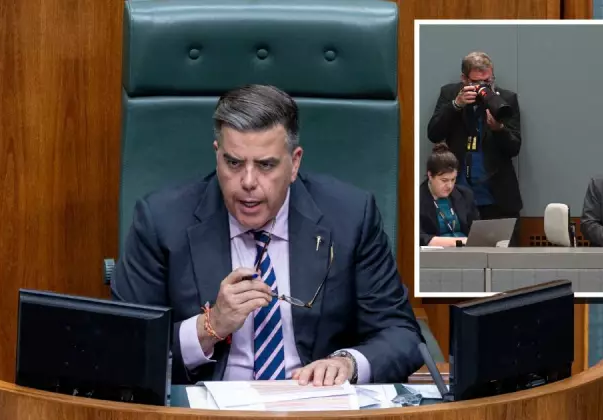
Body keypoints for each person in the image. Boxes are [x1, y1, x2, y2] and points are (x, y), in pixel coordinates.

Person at [110, 84, 424, 386]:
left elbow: (401, 333)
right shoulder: (161, 221)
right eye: (233, 163)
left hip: (317, 409)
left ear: (294, 163)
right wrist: (211, 326)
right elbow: (126, 348)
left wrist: (347, 364)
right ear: (217, 155)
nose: (247, 181)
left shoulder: (351, 217)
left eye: (265, 165)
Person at [426, 51, 523, 225]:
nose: (483, 87)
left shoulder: (506, 100)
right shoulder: (450, 94)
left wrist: (499, 129)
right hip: (458, 197)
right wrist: (456, 105)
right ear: (464, 79)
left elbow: (514, 147)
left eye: (488, 81)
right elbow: (434, 134)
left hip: (497, 198)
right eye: (477, 82)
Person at [419, 143, 479, 247]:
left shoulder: (465, 195)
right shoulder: (417, 199)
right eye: (444, 180)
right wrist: (457, 242)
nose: (450, 185)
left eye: (453, 179)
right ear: (430, 175)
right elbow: (420, 238)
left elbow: (477, 231)